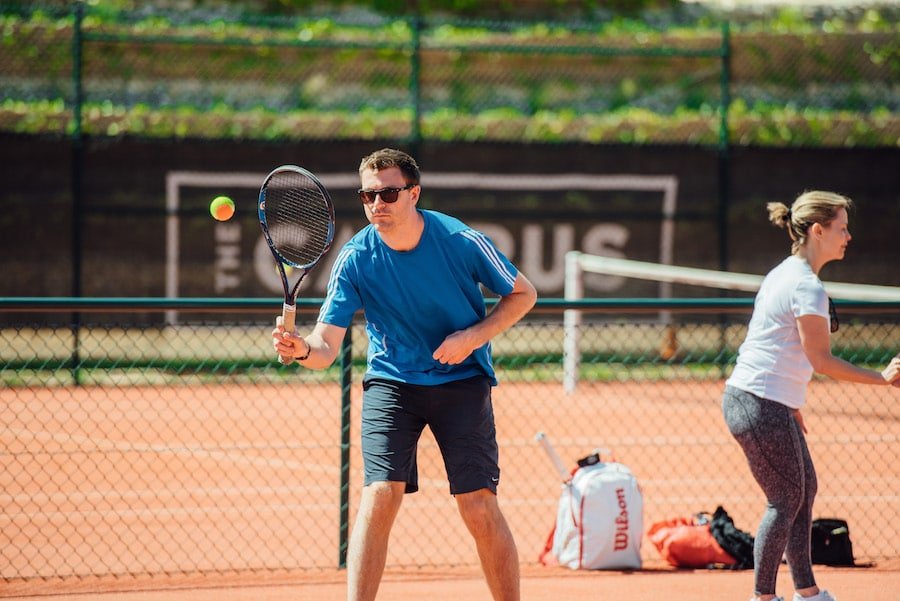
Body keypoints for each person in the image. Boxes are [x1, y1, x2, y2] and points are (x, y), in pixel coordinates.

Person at [271, 148, 536, 601]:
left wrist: (472, 337)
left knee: (478, 506)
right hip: (393, 384)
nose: (378, 204)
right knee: (379, 495)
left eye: (389, 193)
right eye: (368, 195)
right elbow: (325, 348)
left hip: (462, 380)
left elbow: (523, 294)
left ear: (414, 193)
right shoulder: (356, 258)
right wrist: (299, 351)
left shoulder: (458, 239)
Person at [722, 190, 900, 601]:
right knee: (784, 501)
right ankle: (763, 597)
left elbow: (774, 345)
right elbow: (821, 360)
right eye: (841, 228)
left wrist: (791, 403)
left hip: (764, 401)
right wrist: (882, 377)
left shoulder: (785, 273)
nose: (848, 236)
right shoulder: (806, 287)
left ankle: (807, 591)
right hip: (757, 403)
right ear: (818, 231)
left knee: (803, 493)